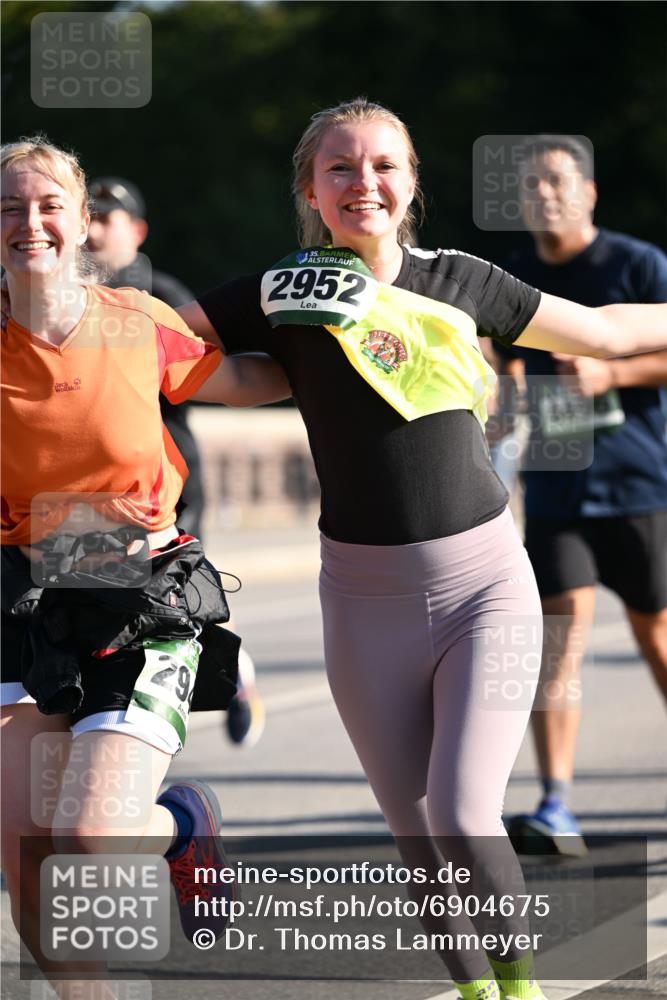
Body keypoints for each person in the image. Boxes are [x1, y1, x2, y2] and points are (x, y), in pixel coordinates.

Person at [180, 98, 667, 1000]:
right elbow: (185, 354)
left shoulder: (463, 281)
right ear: (310, 191)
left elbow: (602, 333)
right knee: (412, 830)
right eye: (340, 168)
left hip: (484, 584)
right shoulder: (281, 292)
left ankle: (519, 989)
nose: (363, 182)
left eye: (383, 166)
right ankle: (475, 992)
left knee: (458, 811)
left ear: (410, 185)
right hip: (360, 602)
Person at [0, 137, 289, 996]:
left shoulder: (136, 321)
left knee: (92, 835)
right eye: (9, 207)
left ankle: (181, 825)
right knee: (29, 857)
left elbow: (246, 379)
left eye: (49, 204)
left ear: (85, 223)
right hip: (20, 602)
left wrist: (358, 349)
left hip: (138, 597)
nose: (30, 223)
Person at [491, 135, 667, 856]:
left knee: (655, 638)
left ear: (587, 192)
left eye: (557, 183)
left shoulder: (635, 264)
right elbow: (496, 366)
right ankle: (554, 802)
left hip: (639, 484)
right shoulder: (513, 277)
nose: (543, 195)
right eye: (530, 186)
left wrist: (609, 375)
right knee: (557, 647)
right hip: (559, 490)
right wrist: (501, 389)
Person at [85, 177, 265, 747]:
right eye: (87, 215)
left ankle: (235, 678)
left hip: (167, 480)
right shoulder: (54, 300)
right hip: (91, 493)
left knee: (180, 591)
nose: (92, 229)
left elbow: (220, 374)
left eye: (107, 218)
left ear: (137, 231)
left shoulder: (160, 296)